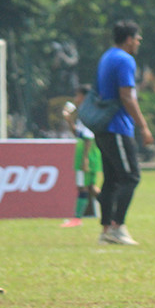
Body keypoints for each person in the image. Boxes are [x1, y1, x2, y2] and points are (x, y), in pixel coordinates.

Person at [95, 20, 154, 246]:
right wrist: (143, 126)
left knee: (111, 179)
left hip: (103, 127)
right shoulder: (124, 59)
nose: (139, 43)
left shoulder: (107, 56)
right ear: (129, 39)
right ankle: (117, 226)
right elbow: (127, 96)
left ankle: (105, 230)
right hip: (117, 127)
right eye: (137, 38)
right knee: (130, 176)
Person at [61, 85, 102, 228]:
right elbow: (78, 133)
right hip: (88, 154)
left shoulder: (87, 112)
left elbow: (88, 137)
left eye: (77, 95)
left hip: (86, 154)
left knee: (82, 187)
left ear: (84, 96)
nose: (75, 99)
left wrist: (85, 158)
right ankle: (112, 212)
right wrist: (68, 119)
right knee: (91, 187)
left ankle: (77, 219)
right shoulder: (86, 112)